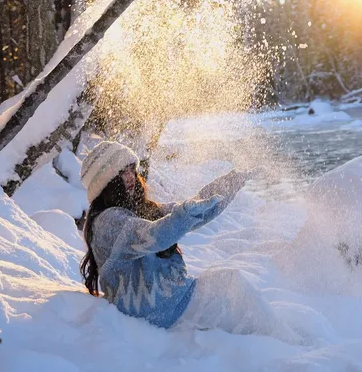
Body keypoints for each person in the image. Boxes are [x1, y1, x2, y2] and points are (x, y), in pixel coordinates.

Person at [79, 141, 289, 338]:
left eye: (131, 169)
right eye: (122, 172)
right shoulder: (108, 221)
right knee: (231, 287)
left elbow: (194, 213)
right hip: (157, 310)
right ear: (106, 182)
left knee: (232, 289)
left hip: (168, 303)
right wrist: (183, 215)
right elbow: (154, 235)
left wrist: (229, 184)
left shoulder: (134, 211)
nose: (131, 177)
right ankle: (282, 345)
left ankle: (276, 341)